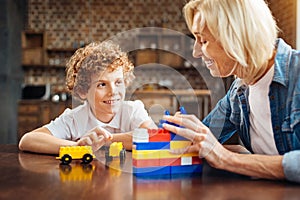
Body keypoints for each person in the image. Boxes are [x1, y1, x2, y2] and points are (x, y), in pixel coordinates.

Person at [163, 0, 300, 183]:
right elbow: (199, 140)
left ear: (236, 36)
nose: (196, 52)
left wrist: (227, 158)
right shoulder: (238, 92)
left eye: (203, 40)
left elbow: (218, 154)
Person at [19, 41, 157, 154]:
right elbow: (28, 140)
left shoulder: (132, 110)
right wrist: (79, 147)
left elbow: (153, 136)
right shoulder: (75, 119)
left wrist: (102, 141)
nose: (113, 91)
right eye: (102, 84)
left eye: (118, 82)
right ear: (83, 91)